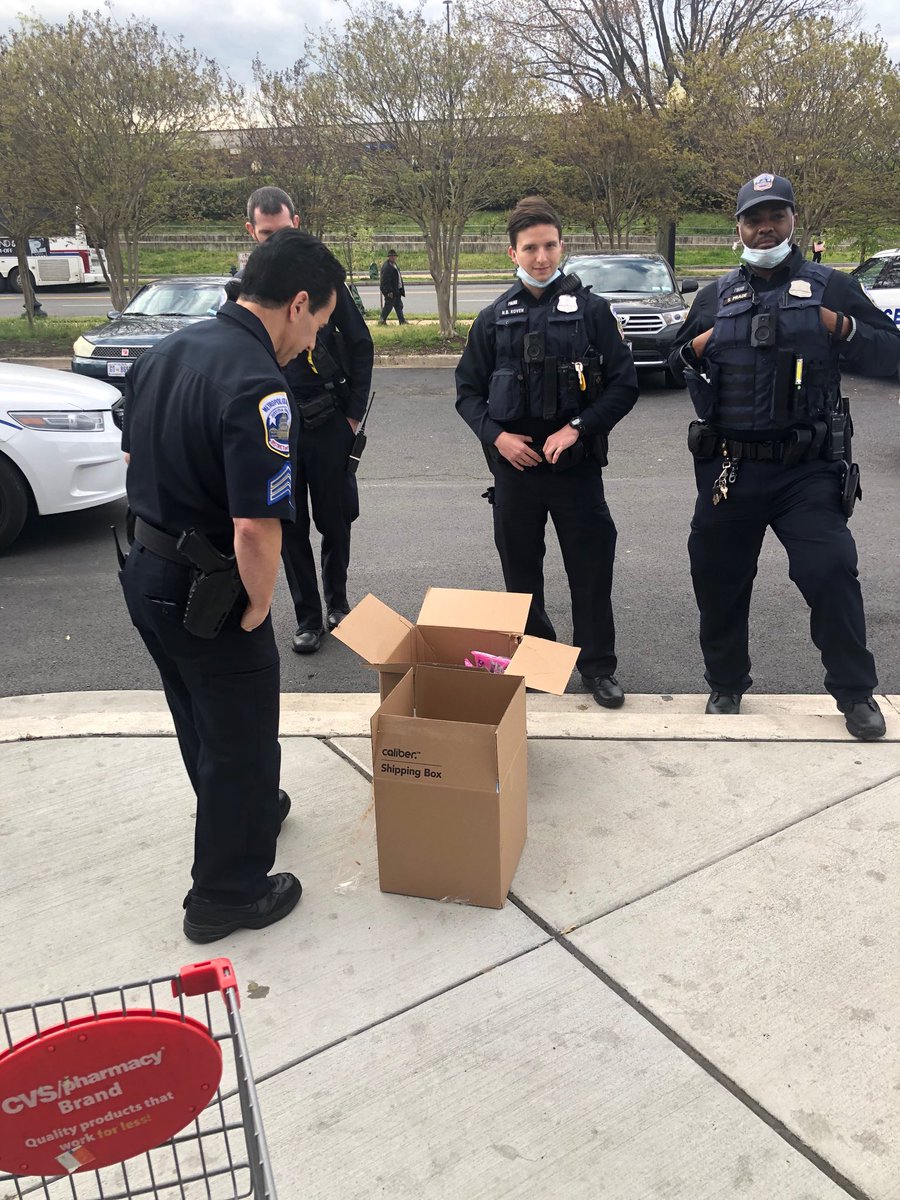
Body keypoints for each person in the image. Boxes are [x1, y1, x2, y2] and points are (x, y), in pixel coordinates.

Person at [119, 228, 346, 941]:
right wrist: (258, 604)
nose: (312, 342)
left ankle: (247, 810)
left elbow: (133, 454)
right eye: (318, 324)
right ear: (298, 303)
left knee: (199, 714)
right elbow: (255, 525)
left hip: (145, 565)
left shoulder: (169, 351)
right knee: (243, 734)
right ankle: (227, 893)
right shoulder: (259, 385)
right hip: (207, 586)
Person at [669, 173, 900, 740]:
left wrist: (839, 326)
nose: (765, 227)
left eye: (775, 215)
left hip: (807, 470)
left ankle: (855, 693)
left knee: (830, 571)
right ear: (739, 226)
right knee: (717, 578)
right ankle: (726, 683)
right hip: (731, 467)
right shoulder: (715, 296)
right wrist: (696, 345)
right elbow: (673, 361)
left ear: (793, 219)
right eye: (753, 218)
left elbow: (890, 353)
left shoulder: (832, 286)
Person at [455, 196, 639, 708]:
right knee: (521, 575)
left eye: (550, 246)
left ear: (562, 247)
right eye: (530, 248)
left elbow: (623, 385)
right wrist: (498, 437)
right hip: (516, 470)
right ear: (512, 253)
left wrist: (578, 428)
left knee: (590, 570)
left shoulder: (593, 312)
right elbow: (467, 393)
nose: (541, 257)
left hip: (574, 467)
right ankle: (538, 662)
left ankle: (598, 667)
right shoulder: (493, 319)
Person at [243, 186, 374, 654]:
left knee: (335, 520)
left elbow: (361, 344)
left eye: (282, 231)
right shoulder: (248, 290)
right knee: (290, 527)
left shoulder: (324, 283)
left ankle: (338, 603)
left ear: (296, 224)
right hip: (278, 430)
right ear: (251, 232)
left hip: (329, 423)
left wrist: (353, 415)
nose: (275, 241)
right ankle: (308, 618)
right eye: (266, 234)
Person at [379, 249, 407, 324]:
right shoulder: (387, 267)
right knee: (388, 306)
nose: (393, 257)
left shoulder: (394, 265)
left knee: (398, 306)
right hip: (391, 291)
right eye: (392, 256)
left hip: (397, 290)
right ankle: (382, 320)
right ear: (389, 257)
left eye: (394, 256)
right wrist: (388, 291)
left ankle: (402, 321)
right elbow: (385, 281)